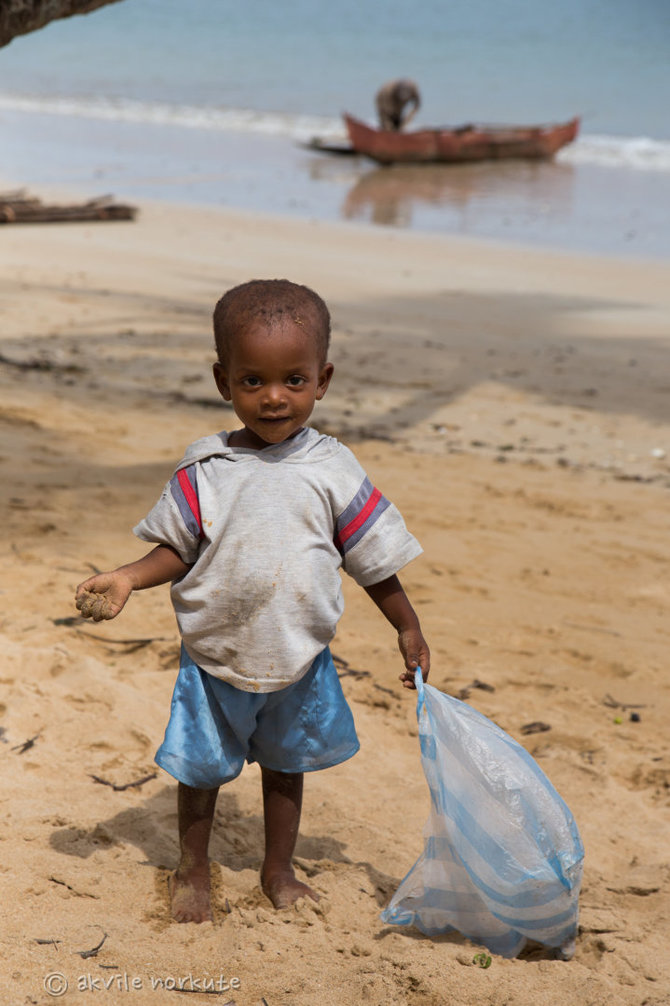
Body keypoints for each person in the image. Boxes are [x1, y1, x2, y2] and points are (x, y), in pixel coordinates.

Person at [75, 279, 430, 925]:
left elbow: (373, 561)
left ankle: (278, 868)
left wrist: (407, 628)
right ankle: (193, 870)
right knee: (202, 771)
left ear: (322, 380)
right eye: (252, 381)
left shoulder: (334, 471)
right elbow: (177, 549)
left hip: (301, 657)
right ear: (223, 380)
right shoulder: (205, 469)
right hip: (216, 657)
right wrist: (127, 576)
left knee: (286, 768)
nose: (274, 398)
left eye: (293, 380)